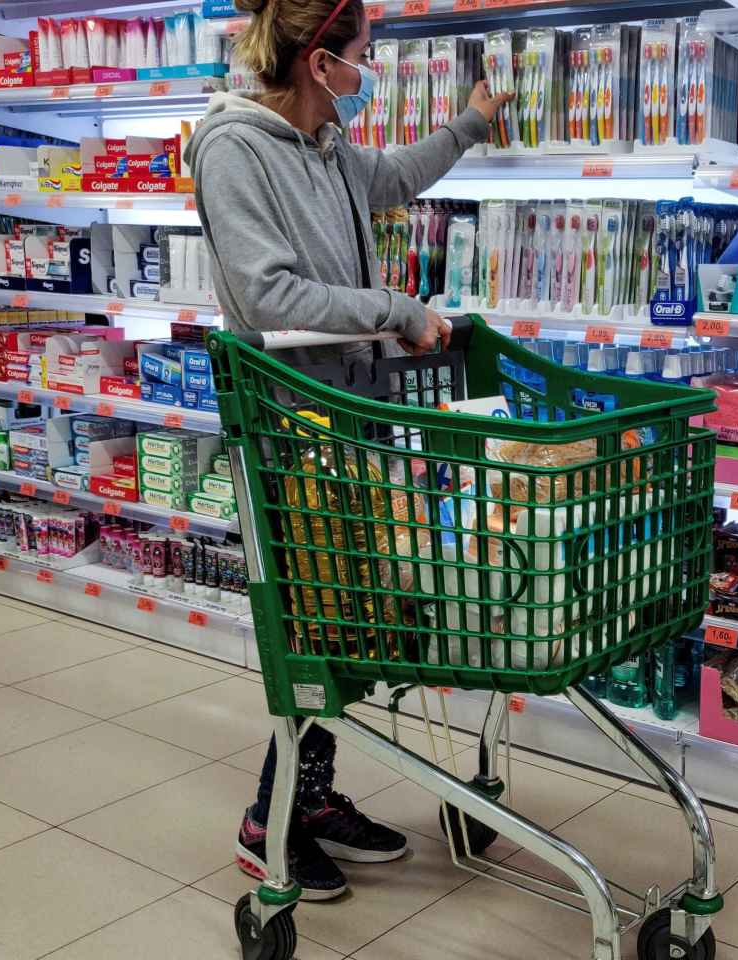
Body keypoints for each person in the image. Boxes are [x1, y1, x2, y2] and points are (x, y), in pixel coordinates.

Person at [184, 0, 509, 901]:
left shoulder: (325, 146)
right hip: (294, 429)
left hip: (352, 421)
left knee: (356, 624)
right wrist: (396, 310)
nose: (373, 73)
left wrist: (471, 126)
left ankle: (314, 795)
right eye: (365, 56)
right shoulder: (234, 148)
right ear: (319, 60)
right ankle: (268, 820)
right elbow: (267, 291)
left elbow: (396, 177)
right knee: (316, 635)